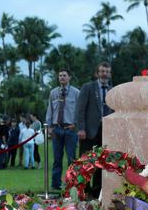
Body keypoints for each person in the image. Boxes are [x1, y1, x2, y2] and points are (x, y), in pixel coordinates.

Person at [76, 62, 114, 198]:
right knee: (86, 162)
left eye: (107, 72)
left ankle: (97, 192)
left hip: (105, 132)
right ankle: (84, 191)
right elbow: (80, 109)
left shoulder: (112, 90)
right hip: (88, 132)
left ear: (110, 74)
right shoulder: (88, 87)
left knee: (101, 162)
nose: (105, 74)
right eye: (102, 71)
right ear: (97, 73)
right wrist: (81, 128)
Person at [45, 68, 80, 191]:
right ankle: (55, 184)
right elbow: (50, 110)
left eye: (64, 75)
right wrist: (49, 127)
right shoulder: (53, 93)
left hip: (70, 129)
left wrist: (76, 125)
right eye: (60, 75)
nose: (62, 77)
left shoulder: (76, 92)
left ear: (69, 77)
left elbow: (79, 111)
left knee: (71, 158)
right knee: (57, 158)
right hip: (57, 130)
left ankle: (72, 184)